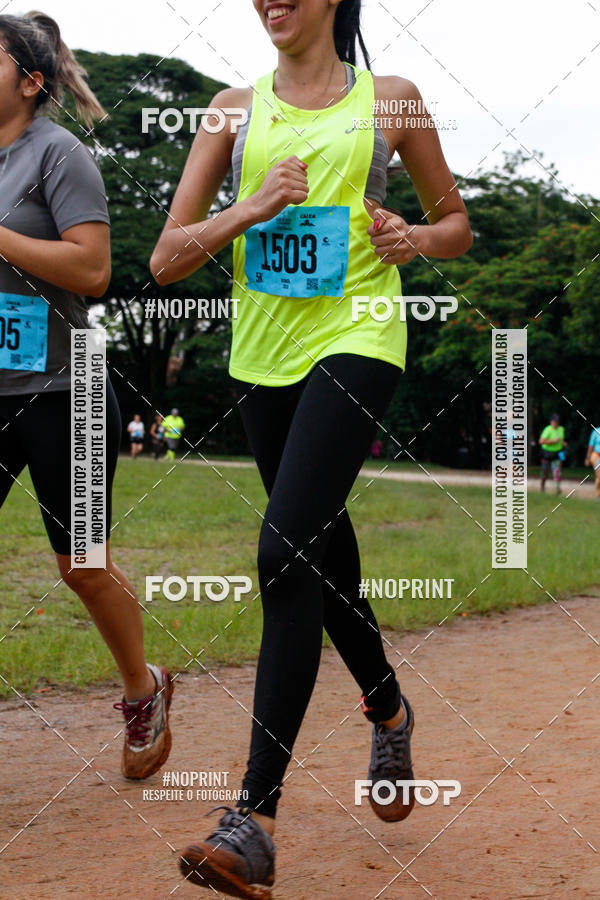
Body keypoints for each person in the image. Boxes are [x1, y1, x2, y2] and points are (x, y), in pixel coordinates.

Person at [151, 1, 472, 895]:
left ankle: (253, 821)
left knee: (283, 553)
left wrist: (414, 239)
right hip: (262, 354)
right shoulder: (229, 111)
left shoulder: (392, 102)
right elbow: (166, 258)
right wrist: (249, 207)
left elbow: (457, 226)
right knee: (320, 553)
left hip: (360, 334)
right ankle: (388, 704)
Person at [0, 12, 173, 780]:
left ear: (30, 82)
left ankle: (144, 690)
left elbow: (93, 271)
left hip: (61, 391)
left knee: (82, 563)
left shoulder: (58, 154)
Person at [539, 413, 567, 494]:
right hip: (546, 453)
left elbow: (560, 440)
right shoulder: (547, 429)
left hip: (557, 453)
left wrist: (563, 443)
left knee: (557, 471)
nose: (556, 423)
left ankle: (558, 488)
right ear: (551, 422)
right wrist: (553, 441)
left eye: (557, 422)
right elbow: (541, 441)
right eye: (555, 422)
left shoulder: (561, 429)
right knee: (545, 472)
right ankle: (542, 486)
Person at [584, 425, 600, 499]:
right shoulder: (596, 431)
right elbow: (591, 446)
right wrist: (588, 458)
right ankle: (599, 494)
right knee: (599, 475)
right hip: (596, 455)